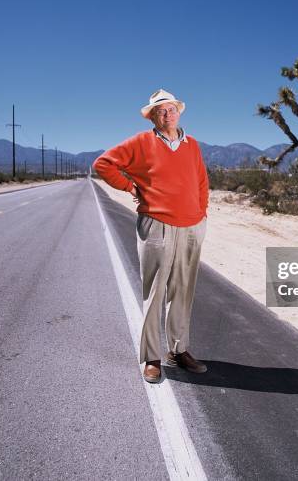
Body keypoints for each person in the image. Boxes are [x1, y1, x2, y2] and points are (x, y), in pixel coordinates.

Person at [92, 89, 209, 383]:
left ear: (179, 112)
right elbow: (103, 164)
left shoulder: (192, 145)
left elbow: (201, 181)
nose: (166, 115)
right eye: (160, 111)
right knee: (155, 292)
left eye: (170, 109)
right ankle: (152, 358)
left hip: (192, 226)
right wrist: (130, 188)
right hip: (156, 224)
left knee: (183, 291)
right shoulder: (142, 142)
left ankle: (179, 350)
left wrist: (202, 213)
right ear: (153, 117)